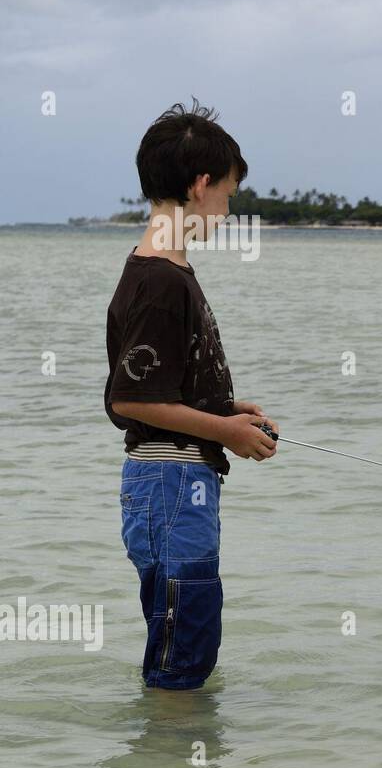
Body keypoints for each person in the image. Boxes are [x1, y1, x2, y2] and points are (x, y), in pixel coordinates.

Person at [105, 100, 278, 690]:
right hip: (170, 485)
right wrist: (225, 432)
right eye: (228, 195)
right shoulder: (159, 280)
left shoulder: (167, 271)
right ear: (200, 185)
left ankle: (168, 751)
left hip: (179, 486)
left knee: (186, 639)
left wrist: (225, 410)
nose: (228, 211)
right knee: (186, 648)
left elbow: (163, 388)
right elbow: (130, 399)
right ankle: (169, 754)